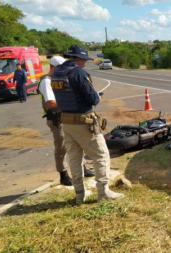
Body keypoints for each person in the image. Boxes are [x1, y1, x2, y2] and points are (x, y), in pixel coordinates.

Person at [51, 45, 124, 204]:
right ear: (79, 58)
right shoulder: (78, 73)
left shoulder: (56, 73)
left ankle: (79, 195)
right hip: (83, 122)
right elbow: (93, 99)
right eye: (84, 60)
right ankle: (103, 193)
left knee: (75, 159)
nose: (85, 63)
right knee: (101, 155)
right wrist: (97, 96)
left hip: (66, 122)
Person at [38, 56, 95, 186]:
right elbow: (51, 103)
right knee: (62, 146)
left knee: (78, 143)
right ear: (54, 67)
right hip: (56, 119)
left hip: (67, 117)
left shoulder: (58, 78)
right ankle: (63, 174)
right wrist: (71, 102)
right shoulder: (46, 82)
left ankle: (83, 168)